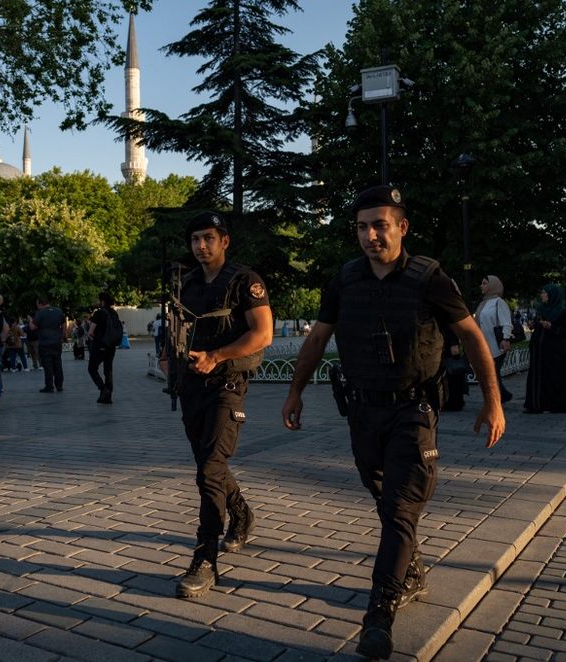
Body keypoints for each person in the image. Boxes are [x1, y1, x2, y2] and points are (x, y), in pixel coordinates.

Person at [279, 186, 504, 659]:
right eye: (362, 226)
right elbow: (318, 338)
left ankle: (379, 615)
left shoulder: (429, 278)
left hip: (413, 411)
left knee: (401, 508)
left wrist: (493, 401)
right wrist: (295, 390)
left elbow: (471, 335)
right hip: (363, 411)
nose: (370, 235)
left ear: (402, 227)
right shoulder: (344, 280)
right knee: (383, 497)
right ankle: (413, 567)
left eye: (380, 225)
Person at [159, 210, 273, 600]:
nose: (201, 246)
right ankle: (240, 513)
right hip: (192, 386)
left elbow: (263, 334)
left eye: (208, 238)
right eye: (195, 240)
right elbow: (173, 327)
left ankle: (205, 559)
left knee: (209, 469)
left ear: (224, 240)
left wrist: (218, 355)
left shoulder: (245, 281)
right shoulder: (186, 283)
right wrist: (166, 355)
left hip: (228, 383)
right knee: (210, 464)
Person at [523, 284, 566, 413]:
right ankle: (536, 405)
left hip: (554, 353)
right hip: (539, 352)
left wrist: (551, 327)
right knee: (538, 378)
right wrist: (533, 324)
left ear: (551, 295)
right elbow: (537, 324)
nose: (542, 295)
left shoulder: (561, 311)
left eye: (544, 293)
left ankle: (554, 405)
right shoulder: (542, 309)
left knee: (553, 378)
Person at [474, 275, 514, 402]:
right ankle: (503, 395)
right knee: (490, 372)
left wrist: (506, 338)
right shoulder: (483, 303)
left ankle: (495, 398)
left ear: (492, 286)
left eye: (485, 283)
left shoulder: (499, 302)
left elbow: (506, 322)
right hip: (485, 345)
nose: (481, 286)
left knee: (492, 372)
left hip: (497, 345)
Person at [88, 291, 121, 404]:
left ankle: (103, 389)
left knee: (92, 368)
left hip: (100, 344)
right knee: (108, 370)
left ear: (102, 301)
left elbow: (91, 332)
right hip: (111, 345)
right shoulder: (114, 313)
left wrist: (93, 338)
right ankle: (108, 396)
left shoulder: (99, 313)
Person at [32, 295, 67, 392]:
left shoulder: (40, 313)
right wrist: (62, 336)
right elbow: (64, 325)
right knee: (58, 363)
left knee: (47, 365)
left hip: (45, 342)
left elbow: (32, 327)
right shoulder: (58, 311)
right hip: (56, 342)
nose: (37, 307)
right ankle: (59, 385)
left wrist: (31, 321)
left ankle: (49, 386)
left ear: (40, 304)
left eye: (37, 305)